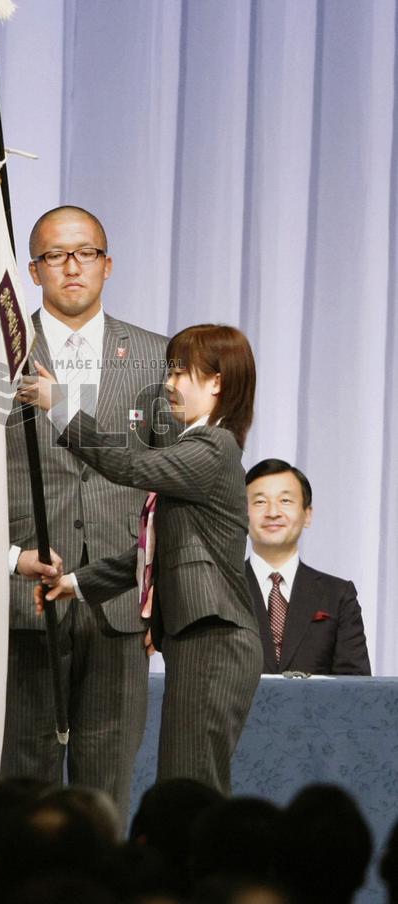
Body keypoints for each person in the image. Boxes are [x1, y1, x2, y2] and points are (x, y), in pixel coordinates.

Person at [30, 323, 263, 795]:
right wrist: (76, 583)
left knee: (190, 785)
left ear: (217, 382)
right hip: (203, 638)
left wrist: (62, 406)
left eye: (180, 373)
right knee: (186, 781)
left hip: (214, 638)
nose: (169, 384)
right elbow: (152, 553)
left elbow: (129, 465)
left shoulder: (212, 447)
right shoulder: (201, 447)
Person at [2, 205, 169, 823]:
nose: (71, 267)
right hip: (24, 601)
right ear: (33, 270)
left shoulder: (155, 355)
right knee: (24, 790)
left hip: (118, 602)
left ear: (108, 264)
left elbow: (172, 482)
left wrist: (161, 593)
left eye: (85, 253)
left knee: (107, 787)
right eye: (55, 255)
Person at [245, 458, 371, 675]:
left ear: (307, 515)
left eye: (285, 500)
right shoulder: (218, 588)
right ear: (240, 513)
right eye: (260, 502)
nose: (273, 512)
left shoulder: (338, 596)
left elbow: (355, 687)